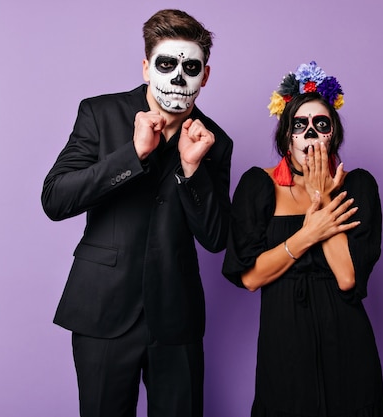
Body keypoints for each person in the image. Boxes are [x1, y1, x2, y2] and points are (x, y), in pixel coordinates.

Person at [41, 9, 233, 417]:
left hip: (176, 320)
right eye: (167, 64)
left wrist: (192, 170)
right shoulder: (100, 114)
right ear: (147, 68)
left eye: (191, 67)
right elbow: (55, 199)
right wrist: (133, 155)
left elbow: (216, 239)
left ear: (206, 75)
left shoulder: (215, 142)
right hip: (102, 312)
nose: (179, 77)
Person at [222, 61, 383, 416]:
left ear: (334, 135)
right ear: (286, 136)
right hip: (284, 343)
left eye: (320, 124)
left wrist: (322, 197)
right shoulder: (258, 186)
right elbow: (250, 277)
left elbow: (347, 278)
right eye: (300, 125)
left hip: (346, 341)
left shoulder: (359, 186)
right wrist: (308, 233)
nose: (311, 133)